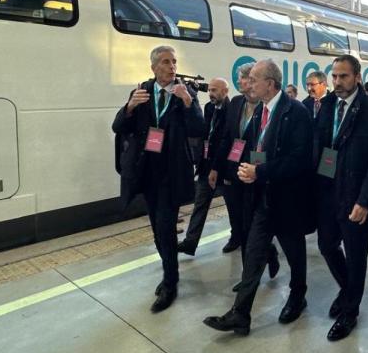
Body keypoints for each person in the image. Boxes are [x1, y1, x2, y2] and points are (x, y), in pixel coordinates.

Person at [203, 59, 314, 335]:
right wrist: (243, 171)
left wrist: (260, 172)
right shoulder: (260, 111)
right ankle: (240, 314)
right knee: (253, 254)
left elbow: (300, 160)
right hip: (262, 200)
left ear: (270, 83)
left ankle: (298, 296)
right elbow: (253, 147)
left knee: (295, 253)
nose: (248, 84)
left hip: (288, 200)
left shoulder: (296, 112)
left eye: (254, 79)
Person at [112, 45, 204, 312]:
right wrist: (129, 107)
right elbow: (118, 127)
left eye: (174, 61)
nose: (171, 66)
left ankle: (170, 282)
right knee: (157, 228)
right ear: (153, 67)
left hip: (172, 172)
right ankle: (169, 269)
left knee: (165, 226)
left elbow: (199, 129)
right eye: (165, 62)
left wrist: (188, 102)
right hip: (146, 172)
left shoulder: (186, 93)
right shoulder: (141, 91)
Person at [314, 55, 368, 341]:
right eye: (334, 76)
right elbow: (320, 147)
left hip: (356, 196)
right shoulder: (326, 105)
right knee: (326, 245)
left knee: (356, 255)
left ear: (357, 77)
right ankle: (348, 290)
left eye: (343, 76)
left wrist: (366, 200)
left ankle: (350, 311)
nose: (337, 82)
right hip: (327, 191)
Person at [213, 64, 280, 276]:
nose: (241, 82)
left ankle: (255, 267)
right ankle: (258, 262)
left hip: (255, 174)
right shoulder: (235, 103)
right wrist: (216, 167)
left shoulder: (266, 107)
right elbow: (226, 138)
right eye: (243, 79)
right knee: (240, 225)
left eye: (245, 79)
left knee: (253, 225)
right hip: (234, 172)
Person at [178, 78, 230, 255]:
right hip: (206, 166)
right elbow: (203, 133)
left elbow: (225, 142)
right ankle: (190, 242)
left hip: (223, 167)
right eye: (210, 90)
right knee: (200, 204)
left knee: (234, 208)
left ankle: (238, 235)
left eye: (215, 90)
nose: (211, 94)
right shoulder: (209, 108)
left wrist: (216, 167)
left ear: (225, 91)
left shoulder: (232, 110)